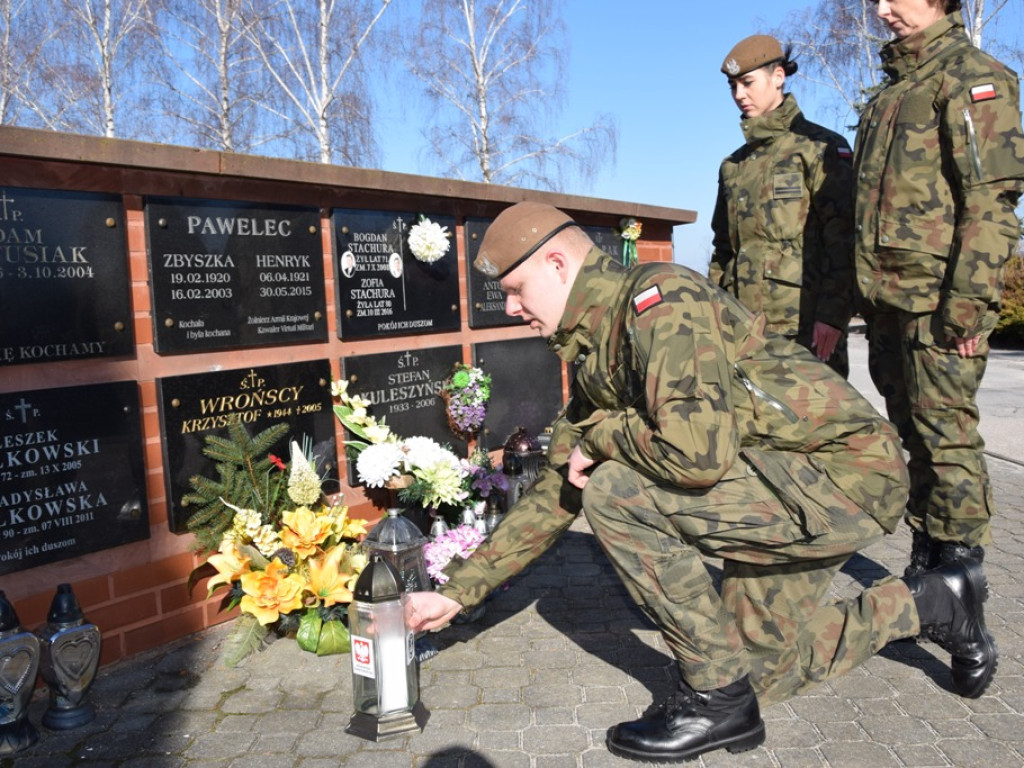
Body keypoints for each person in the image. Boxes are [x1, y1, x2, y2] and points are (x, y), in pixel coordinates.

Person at [404, 201, 997, 763]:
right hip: (781, 484)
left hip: (844, 477)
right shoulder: (598, 347)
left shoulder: (661, 302)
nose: (510, 308)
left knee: (615, 492)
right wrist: (460, 591)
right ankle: (932, 600)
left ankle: (711, 698)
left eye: (515, 290)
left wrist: (605, 439)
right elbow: (558, 487)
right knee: (758, 674)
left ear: (557, 265)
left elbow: (696, 456)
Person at [853, 0, 1024, 577]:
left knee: (947, 444)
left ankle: (962, 599)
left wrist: (969, 307)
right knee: (915, 441)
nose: (880, 9)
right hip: (886, 304)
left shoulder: (973, 76)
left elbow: (992, 202)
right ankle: (927, 576)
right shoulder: (887, 94)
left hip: (938, 305)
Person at [711, 35, 854, 377]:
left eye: (747, 83)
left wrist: (832, 316)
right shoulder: (734, 166)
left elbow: (845, 239)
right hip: (744, 331)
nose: (739, 95)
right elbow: (722, 252)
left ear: (778, 76)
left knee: (818, 428)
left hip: (804, 330)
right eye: (732, 86)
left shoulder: (819, 148)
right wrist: (715, 314)